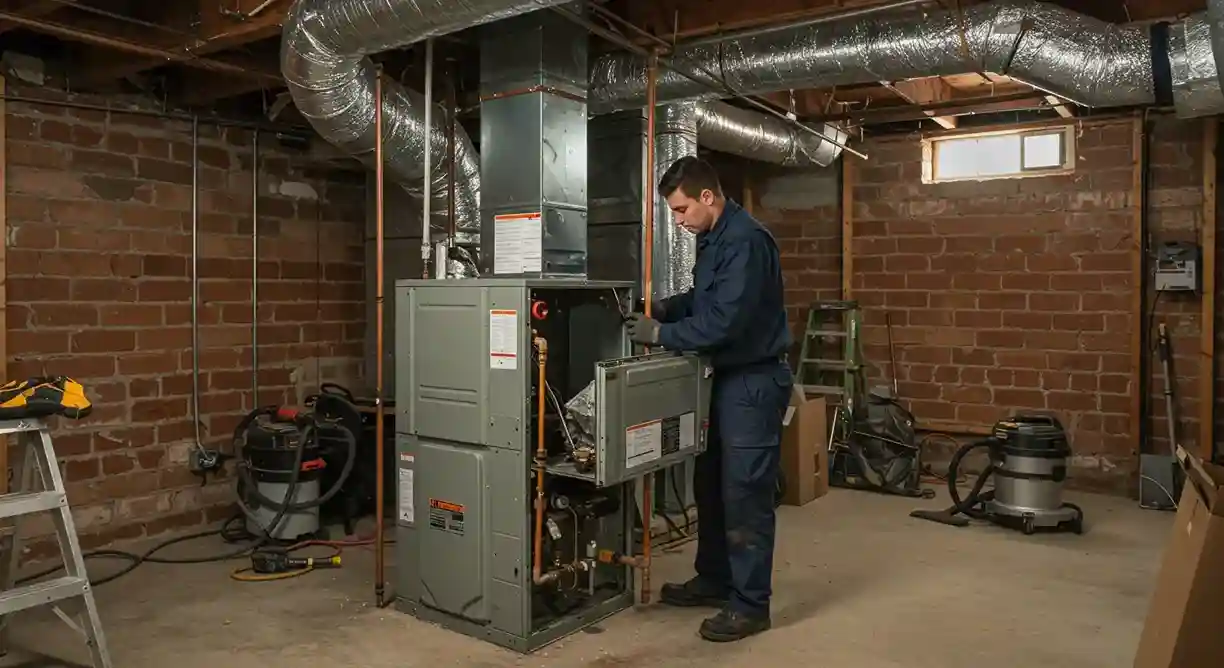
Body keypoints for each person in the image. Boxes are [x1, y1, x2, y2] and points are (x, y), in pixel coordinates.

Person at [626, 156, 792, 642]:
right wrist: (660, 307)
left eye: (680, 210)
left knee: (745, 495)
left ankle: (750, 605)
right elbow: (704, 301)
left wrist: (659, 333)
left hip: (752, 383)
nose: (677, 220)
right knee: (711, 484)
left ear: (706, 197)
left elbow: (724, 322)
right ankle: (717, 578)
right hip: (723, 380)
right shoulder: (714, 238)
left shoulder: (746, 242)